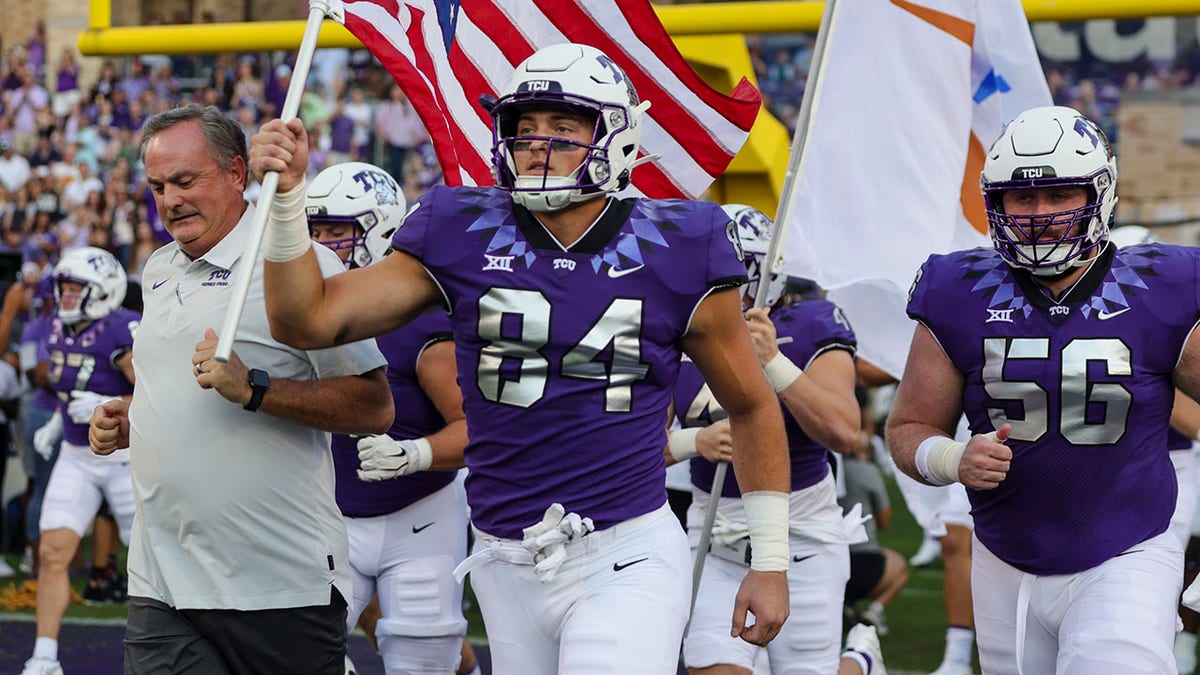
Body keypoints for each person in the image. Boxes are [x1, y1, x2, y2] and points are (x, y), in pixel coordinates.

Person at [250, 43, 791, 673]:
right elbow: (306, 320)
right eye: (524, 127)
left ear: (616, 136)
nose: (538, 144)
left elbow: (751, 405)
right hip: (504, 559)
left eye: (564, 127)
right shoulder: (458, 225)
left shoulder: (681, 242)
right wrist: (286, 203)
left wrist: (770, 559)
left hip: (625, 550)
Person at [887, 105, 1200, 674]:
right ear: (995, 201)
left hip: (1128, 548)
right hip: (1004, 554)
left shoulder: (1165, 283)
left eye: (1060, 196)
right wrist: (954, 457)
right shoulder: (958, 289)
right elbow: (908, 429)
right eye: (1021, 198)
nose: (1039, 215)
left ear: (1099, 194)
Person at [86, 104, 393, 675]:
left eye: (184, 180)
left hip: (278, 585)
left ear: (235, 173)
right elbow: (185, 384)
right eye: (157, 186)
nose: (169, 199)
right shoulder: (157, 269)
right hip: (164, 584)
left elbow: (374, 406)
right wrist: (133, 416)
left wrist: (256, 388)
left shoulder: (301, 263)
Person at [668, 204, 861, 674]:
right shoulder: (672, 326)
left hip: (803, 539)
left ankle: (858, 662)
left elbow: (844, 432)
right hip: (715, 535)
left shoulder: (810, 323)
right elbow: (631, 452)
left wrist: (774, 361)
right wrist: (694, 442)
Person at [306, 160, 475, 674]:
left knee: (424, 658)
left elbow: (478, 430)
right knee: (294, 652)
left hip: (419, 516)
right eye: (312, 230)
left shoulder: (420, 322)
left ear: (378, 229)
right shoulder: (299, 313)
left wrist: (414, 453)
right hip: (330, 517)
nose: (320, 244)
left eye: (336, 231)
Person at [19, 247, 138, 675]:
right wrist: (57, 416)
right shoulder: (55, 327)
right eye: (64, 288)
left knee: (150, 556)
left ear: (104, 291)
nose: (66, 297)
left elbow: (161, 393)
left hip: (125, 457)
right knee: (53, 553)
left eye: (75, 289)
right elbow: (69, 388)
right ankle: (45, 657)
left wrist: (112, 403)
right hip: (75, 453)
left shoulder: (123, 328)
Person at [840, 389, 908, 639]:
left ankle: (843, 606)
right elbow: (884, 521)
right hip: (860, 563)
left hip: (816, 557)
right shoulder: (865, 471)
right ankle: (873, 613)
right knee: (899, 565)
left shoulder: (821, 467)